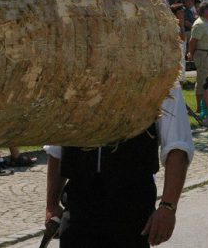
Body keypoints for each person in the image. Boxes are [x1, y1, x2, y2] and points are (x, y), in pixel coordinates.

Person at [44, 83, 194, 247]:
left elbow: (177, 147)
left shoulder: (162, 73)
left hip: (130, 208)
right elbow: (58, 145)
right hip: (78, 206)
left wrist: (168, 206)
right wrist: (52, 204)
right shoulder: (75, 75)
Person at [187, 3, 208, 109]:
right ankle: (200, 107)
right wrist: (191, 53)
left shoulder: (206, 23)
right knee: (203, 80)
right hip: (204, 54)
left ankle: (205, 105)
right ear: (204, 11)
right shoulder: (199, 24)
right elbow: (193, 41)